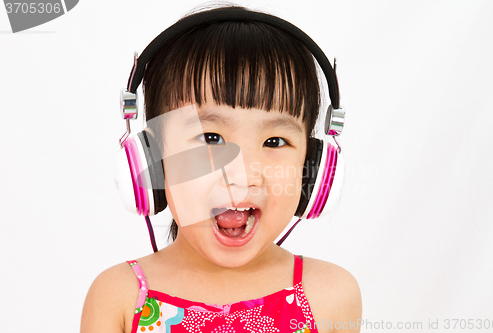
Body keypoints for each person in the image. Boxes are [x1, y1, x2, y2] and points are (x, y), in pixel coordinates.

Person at [81, 5, 361, 333]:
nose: (242, 174)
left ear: (312, 170)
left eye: (274, 142)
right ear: (153, 161)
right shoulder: (120, 297)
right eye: (211, 137)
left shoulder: (328, 296)